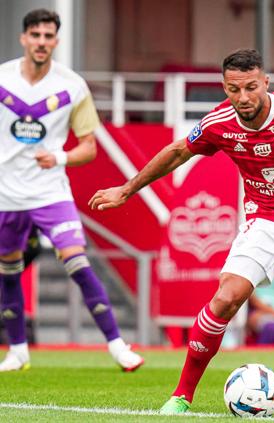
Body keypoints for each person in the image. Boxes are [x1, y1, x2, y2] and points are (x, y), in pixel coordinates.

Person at [89, 48, 274, 413]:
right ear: (224, 87)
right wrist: (126, 189)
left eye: (251, 87)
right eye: (234, 89)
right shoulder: (218, 123)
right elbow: (176, 152)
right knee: (224, 300)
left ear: (265, 82)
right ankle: (182, 395)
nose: (244, 98)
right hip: (264, 218)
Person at [0, 9, 143, 372]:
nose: (42, 43)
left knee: (77, 260)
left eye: (49, 36)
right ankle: (17, 351)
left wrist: (60, 157)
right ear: (24, 39)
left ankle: (117, 346)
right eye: (36, 35)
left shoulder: (72, 85)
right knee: (9, 271)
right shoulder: (2, 80)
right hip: (6, 194)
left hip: (51, 192)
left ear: (56, 41)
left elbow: (89, 147)